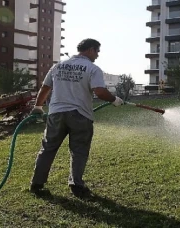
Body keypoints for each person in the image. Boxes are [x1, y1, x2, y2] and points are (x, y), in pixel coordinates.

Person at [29, 38, 124, 197]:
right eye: (97, 51)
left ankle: (37, 184)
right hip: (80, 115)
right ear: (91, 49)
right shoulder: (92, 68)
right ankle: (76, 185)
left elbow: (45, 88)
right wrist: (114, 99)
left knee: (47, 149)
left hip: (56, 114)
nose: (97, 55)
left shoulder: (57, 66)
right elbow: (99, 91)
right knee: (79, 151)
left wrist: (38, 107)